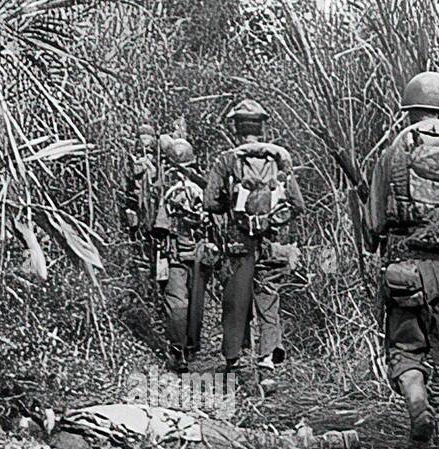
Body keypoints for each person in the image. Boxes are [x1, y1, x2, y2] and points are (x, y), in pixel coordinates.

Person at [366, 72, 439, 449]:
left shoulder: (397, 147)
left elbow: (375, 222)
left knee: (406, 351)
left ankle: (417, 408)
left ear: (410, 108)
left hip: (406, 272)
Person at [203, 98, 304, 393]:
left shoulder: (226, 160)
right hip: (272, 243)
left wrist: (232, 208)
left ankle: (233, 360)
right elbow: (297, 204)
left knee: (235, 300)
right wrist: (273, 221)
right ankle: (267, 363)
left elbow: (211, 202)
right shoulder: (278, 160)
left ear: (236, 127)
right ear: (262, 126)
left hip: (238, 242)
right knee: (269, 300)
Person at [151, 138, 217, 372]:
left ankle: (182, 349)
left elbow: (159, 228)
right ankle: (186, 348)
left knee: (181, 303)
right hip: (191, 254)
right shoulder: (199, 188)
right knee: (190, 304)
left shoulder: (172, 191)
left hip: (184, 255)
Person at [122, 120, 160, 268]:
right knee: (135, 222)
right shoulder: (133, 157)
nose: (145, 139)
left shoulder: (156, 157)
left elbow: (157, 175)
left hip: (150, 196)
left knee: (151, 223)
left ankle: (151, 253)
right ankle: (138, 250)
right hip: (136, 195)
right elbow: (130, 175)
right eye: (142, 136)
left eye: (148, 136)